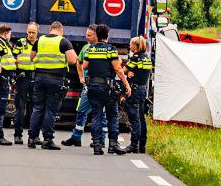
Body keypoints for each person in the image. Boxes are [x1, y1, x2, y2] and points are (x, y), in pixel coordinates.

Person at [28, 21, 77, 150]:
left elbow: (31, 58)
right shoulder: (64, 42)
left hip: (39, 78)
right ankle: (48, 139)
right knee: (50, 110)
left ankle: (32, 138)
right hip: (55, 80)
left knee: (37, 108)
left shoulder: (40, 40)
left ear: (50, 29)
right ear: (61, 30)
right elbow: (73, 60)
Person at [82, 24, 130, 155]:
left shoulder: (91, 49)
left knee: (96, 115)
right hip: (107, 88)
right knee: (112, 116)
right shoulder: (111, 49)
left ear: (97, 35)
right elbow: (118, 69)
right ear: (107, 36)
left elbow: (84, 66)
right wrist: (126, 84)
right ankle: (113, 145)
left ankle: (97, 146)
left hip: (93, 87)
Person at [62, 26, 102, 147]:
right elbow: (78, 62)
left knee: (100, 113)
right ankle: (76, 137)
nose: (86, 37)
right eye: (86, 34)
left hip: (100, 85)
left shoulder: (103, 49)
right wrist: (81, 77)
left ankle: (100, 140)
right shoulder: (85, 48)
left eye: (89, 35)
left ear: (96, 35)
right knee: (81, 111)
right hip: (88, 85)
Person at [122, 36, 153, 154]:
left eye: (131, 44)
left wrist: (128, 72)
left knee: (134, 118)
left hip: (134, 90)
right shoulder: (147, 58)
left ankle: (134, 145)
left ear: (135, 47)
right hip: (142, 90)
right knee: (141, 117)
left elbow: (123, 70)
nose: (129, 46)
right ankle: (142, 145)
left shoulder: (135, 58)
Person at [10, 23, 38, 144]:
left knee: (35, 109)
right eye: (29, 32)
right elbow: (12, 58)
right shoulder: (21, 43)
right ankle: (18, 135)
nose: (30, 35)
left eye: (33, 32)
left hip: (36, 78)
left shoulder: (40, 43)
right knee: (20, 108)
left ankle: (34, 136)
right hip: (23, 78)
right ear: (26, 31)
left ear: (37, 32)